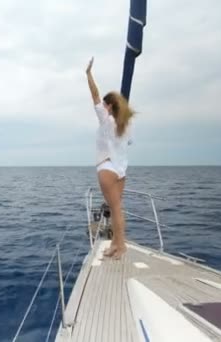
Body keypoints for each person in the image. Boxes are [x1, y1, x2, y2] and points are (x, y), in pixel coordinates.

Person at [85, 57, 135, 259]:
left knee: (115, 209)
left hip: (107, 168)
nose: (102, 106)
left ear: (109, 107)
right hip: (121, 172)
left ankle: (121, 245)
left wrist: (88, 74)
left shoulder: (106, 120)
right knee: (116, 210)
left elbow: (95, 95)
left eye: (105, 105)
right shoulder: (126, 126)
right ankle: (115, 244)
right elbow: (128, 144)